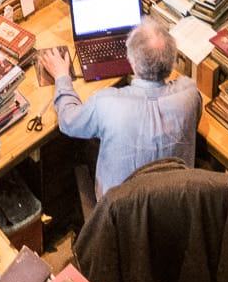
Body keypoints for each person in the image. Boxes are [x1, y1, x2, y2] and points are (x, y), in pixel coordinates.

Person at [40, 17, 200, 205]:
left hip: (118, 216)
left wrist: (61, 77)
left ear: (131, 62)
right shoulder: (190, 95)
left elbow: (68, 122)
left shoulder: (107, 103)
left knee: (90, 145)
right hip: (175, 206)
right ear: (173, 62)